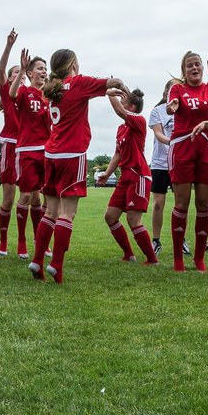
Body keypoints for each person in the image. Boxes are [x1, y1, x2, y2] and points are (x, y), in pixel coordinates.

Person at [28, 49, 128, 283]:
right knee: (67, 214)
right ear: (74, 64)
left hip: (51, 154)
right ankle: (57, 266)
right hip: (72, 155)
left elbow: (77, 96)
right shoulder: (79, 82)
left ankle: (37, 260)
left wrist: (105, 92)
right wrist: (122, 87)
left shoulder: (51, 90)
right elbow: (110, 81)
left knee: (50, 212)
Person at [166, 50, 208, 273]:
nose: (194, 68)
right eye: (190, 65)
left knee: (204, 204)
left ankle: (199, 258)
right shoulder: (178, 88)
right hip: (183, 147)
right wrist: (171, 106)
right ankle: (178, 259)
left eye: (197, 65)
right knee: (181, 204)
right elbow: (170, 104)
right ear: (184, 70)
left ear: (203, 68)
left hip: (207, 148)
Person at [97, 88, 158, 264]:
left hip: (138, 176)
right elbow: (118, 154)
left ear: (132, 106)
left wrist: (108, 92)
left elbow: (119, 111)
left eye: (123, 102)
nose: (120, 106)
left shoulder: (139, 120)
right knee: (110, 216)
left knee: (133, 219)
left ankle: (152, 259)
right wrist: (107, 174)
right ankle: (129, 254)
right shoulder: (121, 129)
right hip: (125, 178)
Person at [13, 49, 51, 259]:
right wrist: (20, 70)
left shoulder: (50, 95)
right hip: (27, 150)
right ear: (30, 73)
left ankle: (40, 240)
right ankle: (21, 241)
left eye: (46, 68)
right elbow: (10, 94)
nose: (44, 71)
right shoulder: (24, 91)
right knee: (27, 195)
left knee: (42, 198)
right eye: (40, 68)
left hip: (47, 151)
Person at [0, 28, 22, 256]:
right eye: (16, 73)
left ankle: (24, 241)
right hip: (11, 147)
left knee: (32, 198)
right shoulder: (7, 94)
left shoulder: (34, 93)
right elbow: (1, 69)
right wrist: (9, 46)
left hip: (32, 148)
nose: (19, 75)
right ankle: (4, 240)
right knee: (9, 199)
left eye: (23, 72)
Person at [146, 80, 175, 256]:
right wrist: (175, 143)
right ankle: (156, 240)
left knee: (181, 205)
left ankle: (182, 240)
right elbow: (158, 133)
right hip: (160, 163)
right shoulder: (157, 111)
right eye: (171, 89)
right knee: (158, 203)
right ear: (166, 92)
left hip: (179, 161)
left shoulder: (185, 110)